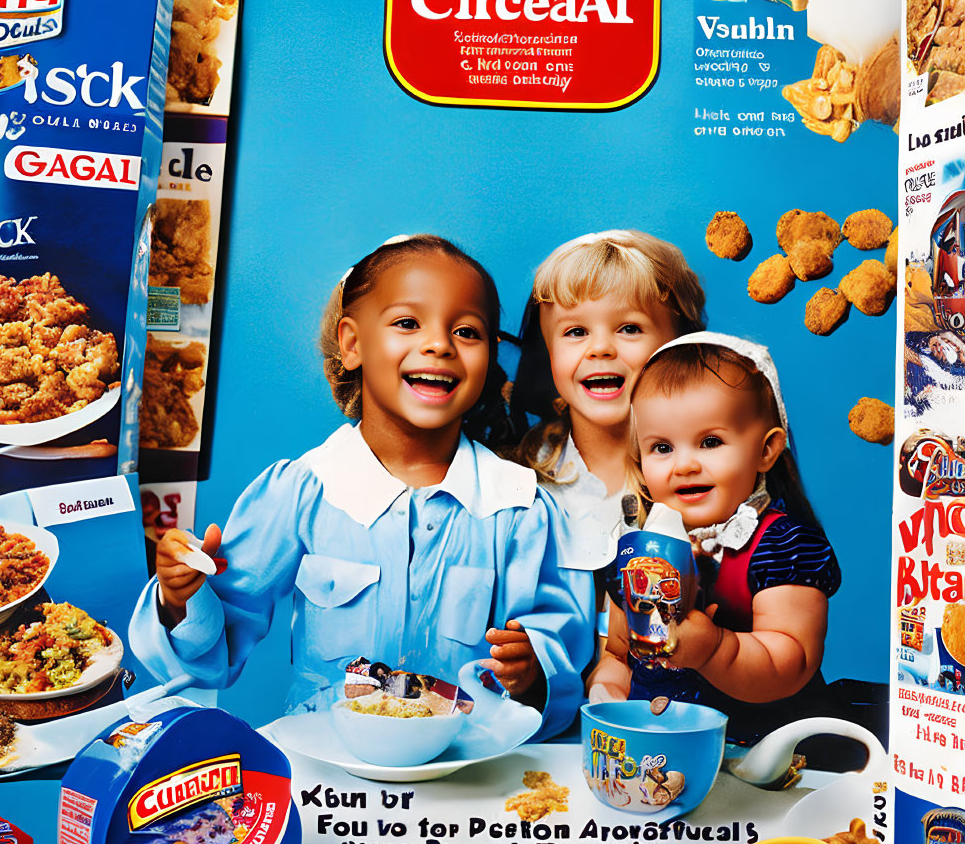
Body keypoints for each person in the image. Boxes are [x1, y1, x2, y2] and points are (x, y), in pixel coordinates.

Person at [129, 234, 594, 738]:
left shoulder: (520, 507)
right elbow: (212, 653)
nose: (438, 344)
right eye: (407, 323)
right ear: (353, 344)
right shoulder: (303, 491)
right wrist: (180, 597)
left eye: (466, 331)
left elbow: (561, 650)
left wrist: (533, 674)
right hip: (333, 783)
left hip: (467, 778)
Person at [587, 332, 840, 743]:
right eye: (661, 447)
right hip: (662, 753)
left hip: (766, 757)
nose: (684, 464)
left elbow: (790, 663)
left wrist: (715, 649)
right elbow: (617, 653)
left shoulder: (781, 547)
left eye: (710, 442)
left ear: (766, 450)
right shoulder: (639, 553)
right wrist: (609, 691)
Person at [509, 229, 705, 608]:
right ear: (547, 353)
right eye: (576, 331)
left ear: (679, 344)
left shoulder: (706, 477)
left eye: (629, 328)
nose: (599, 348)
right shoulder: (518, 481)